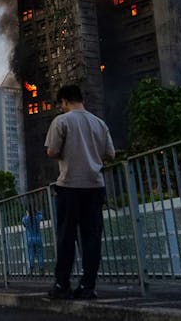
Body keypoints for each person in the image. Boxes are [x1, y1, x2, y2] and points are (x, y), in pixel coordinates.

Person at [44, 84, 116, 300]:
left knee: (66, 237)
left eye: (61, 103)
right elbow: (110, 154)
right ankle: (88, 286)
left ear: (64, 101)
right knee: (92, 238)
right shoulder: (99, 123)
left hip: (69, 186)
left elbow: (52, 151)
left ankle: (62, 284)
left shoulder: (62, 121)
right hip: (95, 186)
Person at [22, 207, 44, 274]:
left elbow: (24, 225)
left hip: (30, 239)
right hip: (38, 238)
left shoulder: (25, 219)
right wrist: (37, 211)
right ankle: (41, 269)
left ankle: (31, 270)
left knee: (31, 254)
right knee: (40, 254)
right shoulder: (38, 217)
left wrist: (27, 214)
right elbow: (41, 215)